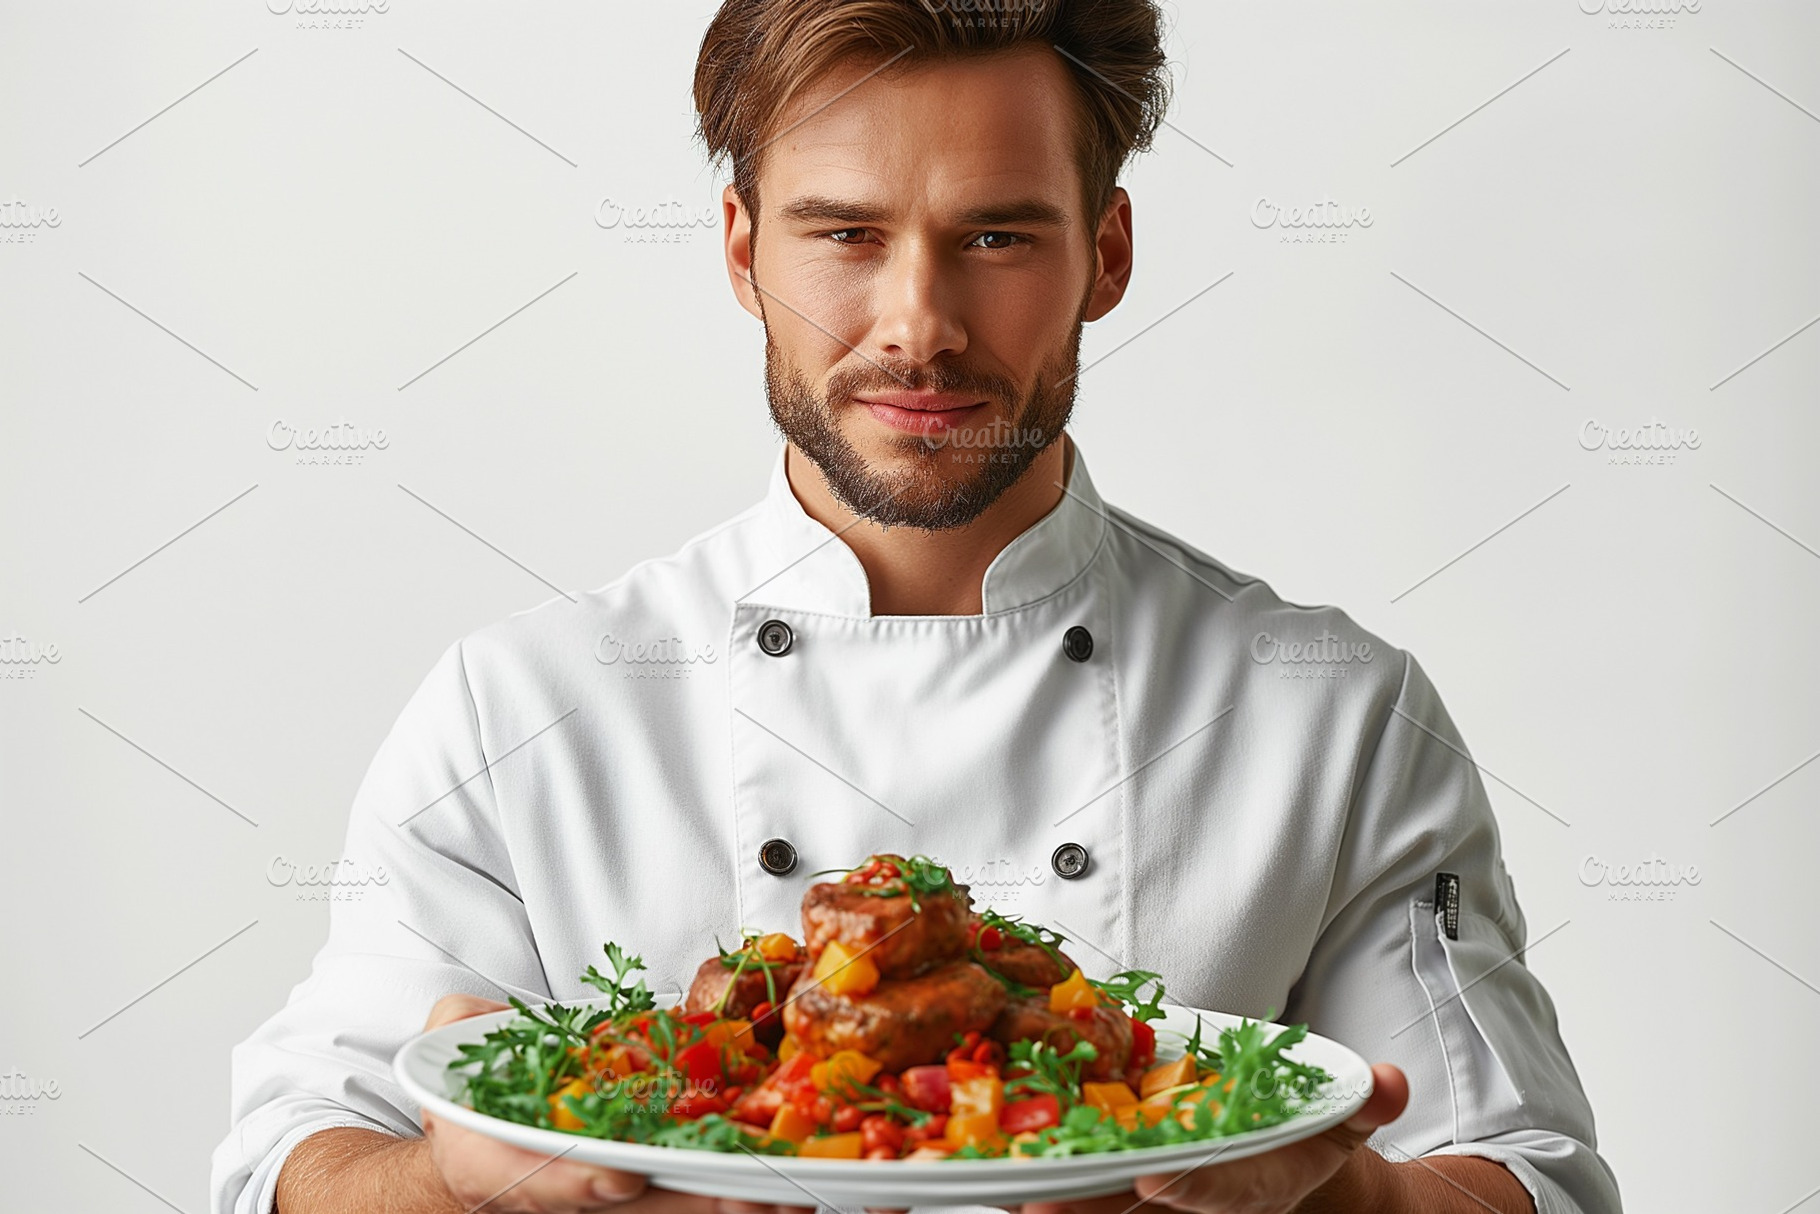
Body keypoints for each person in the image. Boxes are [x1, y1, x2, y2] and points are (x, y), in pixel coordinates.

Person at [212, 2, 1622, 1212]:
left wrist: (1341, 1193)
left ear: (1106, 256)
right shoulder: (520, 706)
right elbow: (291, 1160)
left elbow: (1525, 1172)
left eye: (998, 236)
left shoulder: (1332, 708)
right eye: (844, 234)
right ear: (740, 248)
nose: (917, 323)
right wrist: (454, 1186)